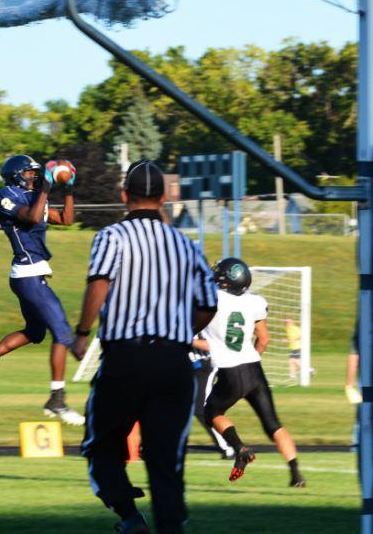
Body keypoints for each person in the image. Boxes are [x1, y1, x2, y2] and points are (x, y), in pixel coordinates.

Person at [72, 160, 218, 534]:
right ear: (165, 197)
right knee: (165, 457)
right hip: (173, 362)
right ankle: (171, 527)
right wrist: (181, 330)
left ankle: (129, 515)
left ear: (125, 197)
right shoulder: (186, 245)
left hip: (125, 358)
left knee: (100, 443)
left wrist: (83, 331)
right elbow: (208, 304)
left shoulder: (112, 237)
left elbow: (100, 283)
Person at [0, 155, 84, 426]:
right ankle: (57, 399)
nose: (35, 177)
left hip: (31, 274)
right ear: (17, 175)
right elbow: (29, 217)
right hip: (28, 274)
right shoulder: (5, 195)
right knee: (63, 333)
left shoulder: (35, 195)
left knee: (35, 332)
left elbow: (66, 219)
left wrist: (69, 188)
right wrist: (47, 188)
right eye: (30, 173)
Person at [202, 257, 306, 488]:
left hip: (231, 371)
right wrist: (251, 357)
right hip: (254, 367)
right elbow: (264, 339)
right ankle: (296, 473)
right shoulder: (254, 302)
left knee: (212, 412)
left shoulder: (212, 298)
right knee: (273, 424)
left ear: (226, 281)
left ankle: (240, 448)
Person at [190, 333, 235, 459]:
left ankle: (227, 446)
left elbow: (211, 345)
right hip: (185, 367)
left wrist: (185, 339)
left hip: (204, 366)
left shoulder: (202, 317)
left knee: (201, 410)